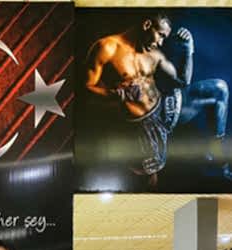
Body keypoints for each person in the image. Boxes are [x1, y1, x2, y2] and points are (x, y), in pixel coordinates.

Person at [85, 13, 232, 186]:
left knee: (219, 89)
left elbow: (183, 81)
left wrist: (188, 49)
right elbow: (87, 87)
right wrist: (115, 95)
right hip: (142, 125)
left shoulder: (154, 53)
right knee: (150, 179)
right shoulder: (107, 47)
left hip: (165, 107)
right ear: (147, 25)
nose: (161, 42)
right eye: (160, 35)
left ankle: (216, 149)